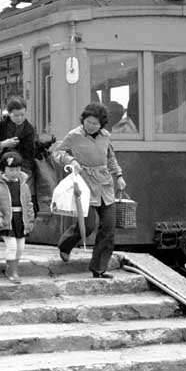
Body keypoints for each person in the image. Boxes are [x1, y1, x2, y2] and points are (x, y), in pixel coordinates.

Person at [53, 102, 127, 279]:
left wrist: (119, 176)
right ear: (83, 120)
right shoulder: (74, 135)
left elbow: (111, 159)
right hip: (84, 183)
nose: (91, 126)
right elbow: (57, 152)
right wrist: (71, 161)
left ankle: (99, 269)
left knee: (108, 228)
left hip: (105, 185)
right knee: (87, 225)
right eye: (89, 121)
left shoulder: (105, 136)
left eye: (95, 123)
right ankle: (65, 244)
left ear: (101, 125)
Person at [0, 151, 35, 283]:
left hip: (20, 219)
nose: (14, 172)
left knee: (21, 246)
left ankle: (13, 267)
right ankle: (12, 271)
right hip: (6, 219)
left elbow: (29, 204)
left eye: (17, 169)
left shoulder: (24, 185)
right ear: (3, 169)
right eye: (11, 169)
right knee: (11, 245)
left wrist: (30, 220)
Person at [0, 96, 37, 212]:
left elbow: (30, 154)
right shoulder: (2, 126)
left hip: (23, 169)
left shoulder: (29, 129)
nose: (20, 118)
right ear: (9, 114)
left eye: (23, 115)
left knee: (22, 197)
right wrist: (3, 144)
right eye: (16, 115)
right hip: (2, 168)